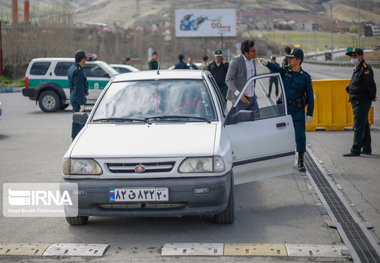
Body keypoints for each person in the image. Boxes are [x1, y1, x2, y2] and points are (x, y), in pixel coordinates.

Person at [259, 48, 314, 172]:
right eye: (288, 57)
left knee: (300, 135)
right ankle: (280, 160)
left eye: (291, 58)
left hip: (298, 110)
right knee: (282, 134)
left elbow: (310, 97)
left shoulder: (305, 77)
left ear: (298, 60)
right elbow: (276, 68)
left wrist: (310, 113)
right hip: (285, 109)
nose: (288, 59)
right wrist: (267, 63)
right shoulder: (285, 71)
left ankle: (300, 161)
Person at [343, 48, 377, 157]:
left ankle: (355, 149)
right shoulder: (357, 68)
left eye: (355, 56)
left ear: (361, 57)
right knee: (364, 124)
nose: (353, 58)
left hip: (361, 101)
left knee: (358, 125)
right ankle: (366, 148)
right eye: (352, 56)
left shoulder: (365, 69)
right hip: (357, 99)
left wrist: (372, 97)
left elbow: (370, 84)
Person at [226, 39, 258, 112]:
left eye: (255, 50)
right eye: (252, 51)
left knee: (257, 119)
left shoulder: (252, 60)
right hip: (240, 100)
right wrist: (239, 94)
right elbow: (228, 80)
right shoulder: (235, 61)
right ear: (246, 53)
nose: (255, 53)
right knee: (241, 122)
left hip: (253, 98)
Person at [68, 50, 88, 140]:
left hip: (73, 96)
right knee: (79, 120)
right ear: (82, 59)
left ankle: (75, 138)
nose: (86, 61)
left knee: (76, 119)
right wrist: (82, 104)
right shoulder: (78, 71)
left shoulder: (72, 68)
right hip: (78, 98)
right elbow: (79, 89)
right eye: (85, 59)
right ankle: (77, 139)